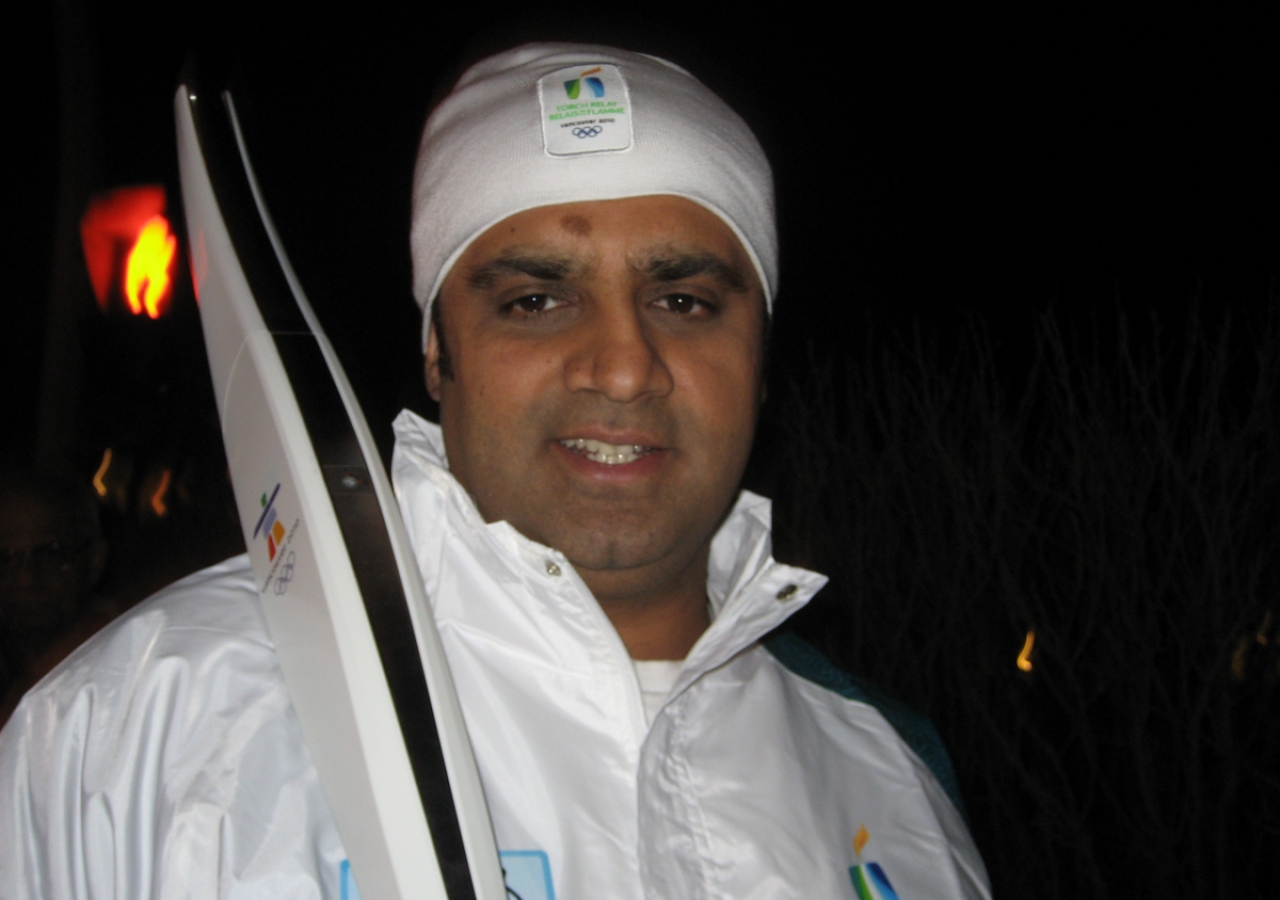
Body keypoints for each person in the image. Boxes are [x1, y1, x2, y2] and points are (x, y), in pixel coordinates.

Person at [0, 44, 991, 898]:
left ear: (760, 358)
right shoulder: (142, 726)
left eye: (684, 301)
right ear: (437, 352)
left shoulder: (887, 781)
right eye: (534, 301)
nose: (621, 366)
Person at [0, 471, 112, 728]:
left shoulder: (119, 670)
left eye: (51, 554)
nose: (24, 578)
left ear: (95, 559)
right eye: (5, 559)